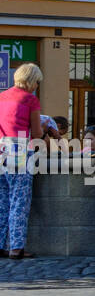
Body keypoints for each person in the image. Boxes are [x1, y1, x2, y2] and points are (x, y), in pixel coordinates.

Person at [0, 63, 45, 259]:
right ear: (30, 80)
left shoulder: (1, 97)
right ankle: (16, 248)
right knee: (20, 200)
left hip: (1, 149)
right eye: (36, 82)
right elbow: (36, 133)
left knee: (2, 201)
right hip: (18, 149)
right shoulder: (30, 100)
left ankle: (0, 245)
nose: (36, 86)